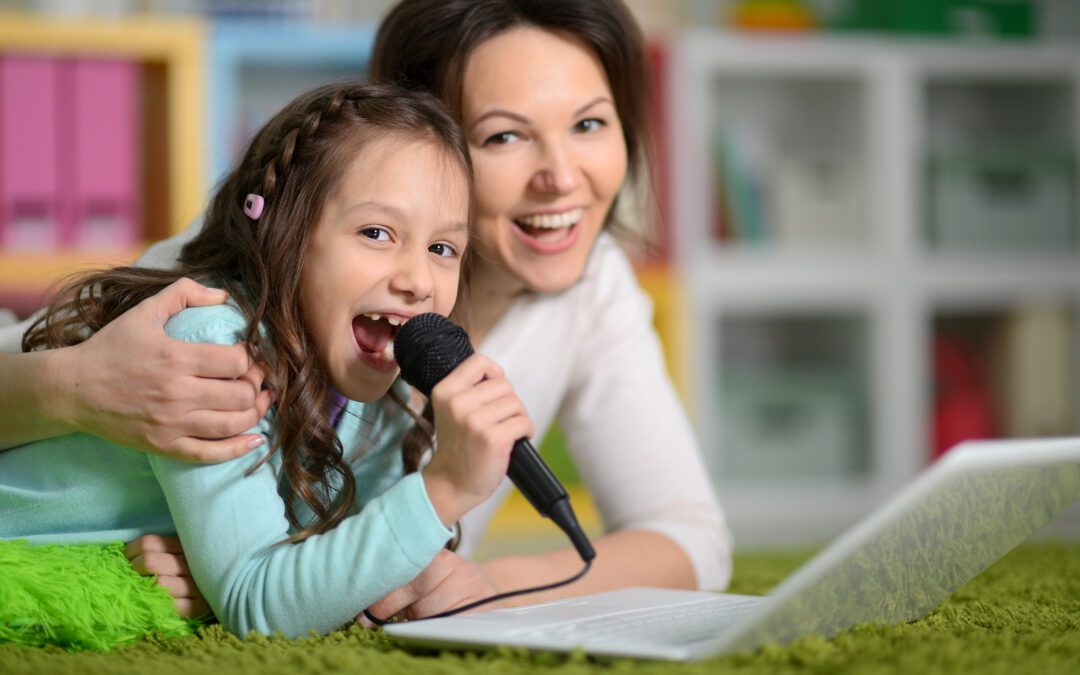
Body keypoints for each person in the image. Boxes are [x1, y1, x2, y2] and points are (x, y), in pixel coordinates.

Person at [0, 0, 732, 621]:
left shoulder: (591, 287)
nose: (561, 177)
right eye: (504, 134)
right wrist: (69, 387)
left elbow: (694, 538)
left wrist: (487, 588)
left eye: (590, 124)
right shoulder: (223, 291)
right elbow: (260, 590)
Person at [0, 81, 537, 637]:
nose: (418, 281)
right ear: (285, 232)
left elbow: (337, 561)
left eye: (442, 248)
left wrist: (428, 575)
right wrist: (445, 488)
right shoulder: (215, 348)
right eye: (377, 233)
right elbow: (260, 608)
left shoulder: (378, 390)